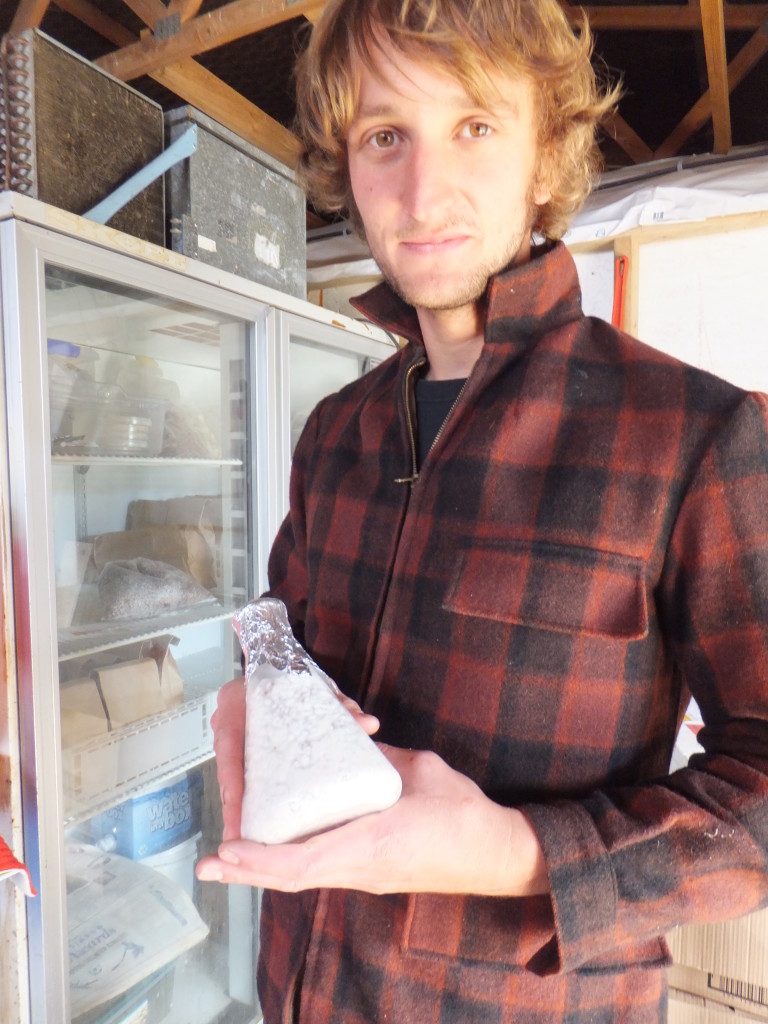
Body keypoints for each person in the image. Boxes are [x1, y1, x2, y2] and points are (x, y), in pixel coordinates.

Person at [196, 0, 768, 1020]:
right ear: (348, 171)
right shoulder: (334, 429)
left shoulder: (698, 437)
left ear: (545, 157)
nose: (425, 190)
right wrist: (259, 693)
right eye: (385, 137)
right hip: (297, 987)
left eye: (474, 126)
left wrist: (517, 852)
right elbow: (281, 631)